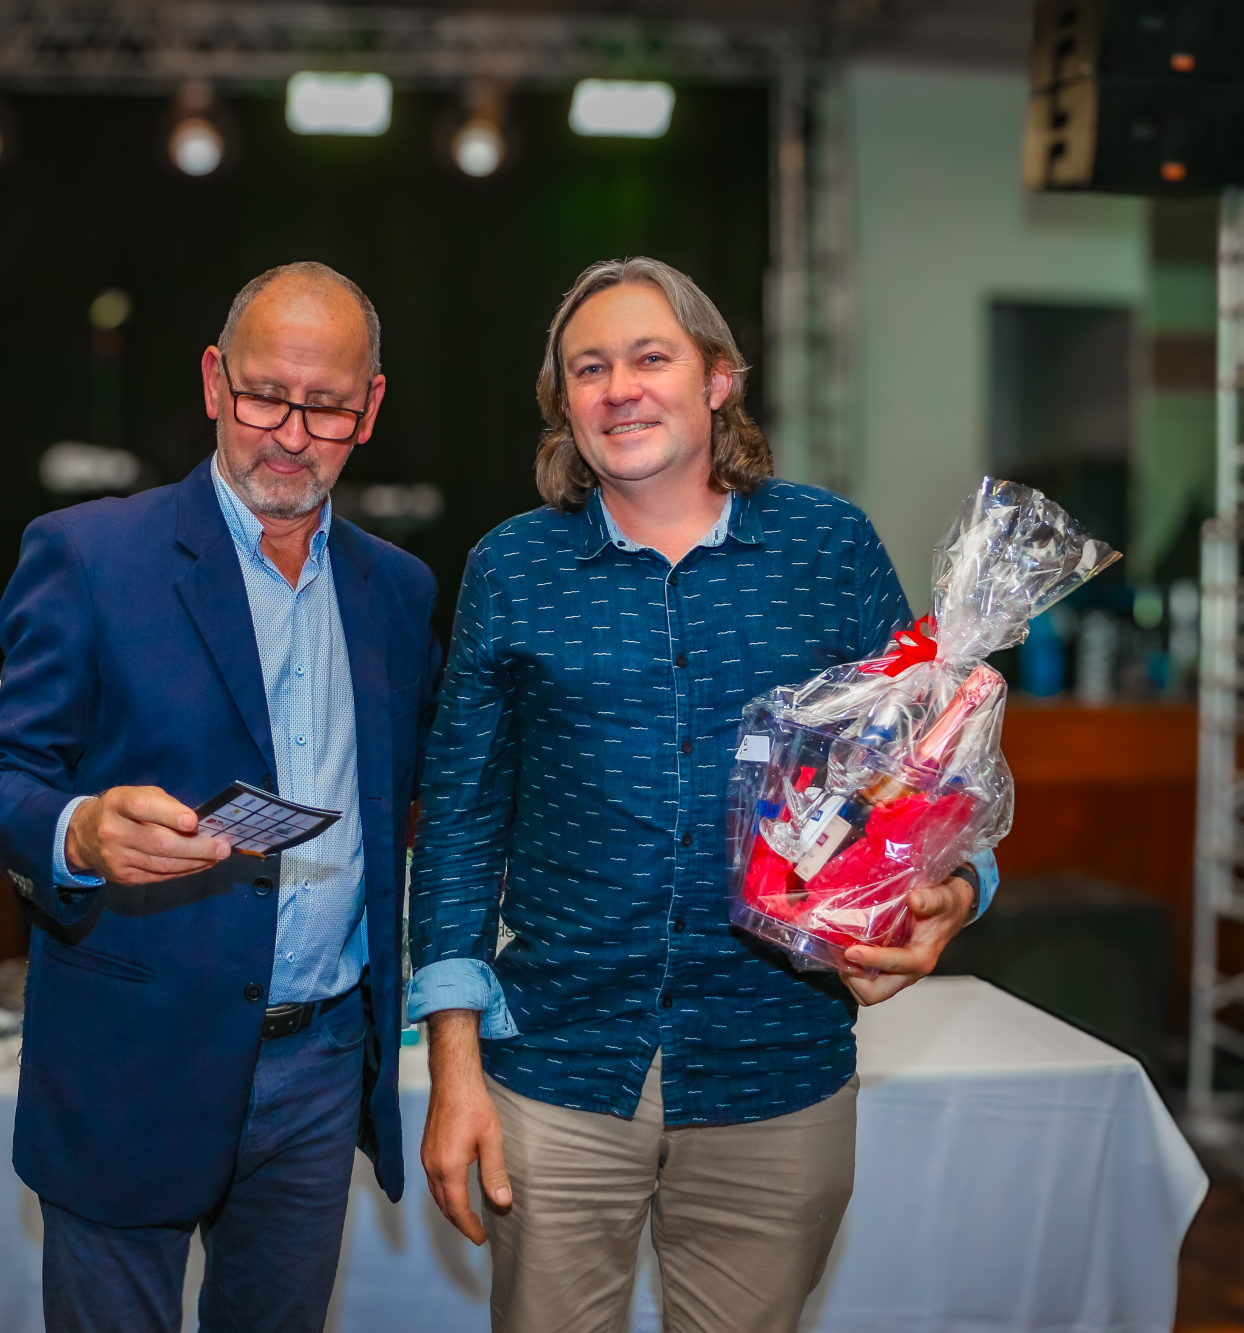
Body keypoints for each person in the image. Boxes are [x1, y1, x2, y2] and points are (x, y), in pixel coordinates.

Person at [407, 256, 999, 1332]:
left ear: (717, 378)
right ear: (563, 403)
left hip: (776, 1067)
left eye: (650, 357)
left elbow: (928, 771)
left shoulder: (827, 548)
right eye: (588, 368)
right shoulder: (512, 567)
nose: (618, 389)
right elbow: (456, 821)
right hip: (557, 1069)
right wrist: (452, 1065)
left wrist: (953, 890)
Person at [0, 261, 439, 1332]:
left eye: (326, 406)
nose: (291, 435)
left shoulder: (398, 592)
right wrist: (78, 829)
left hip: (318, 1071)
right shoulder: (91, 555)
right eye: (265, 395)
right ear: (214, 380)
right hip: (131, 1057)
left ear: (370, 409)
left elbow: (413, 799)